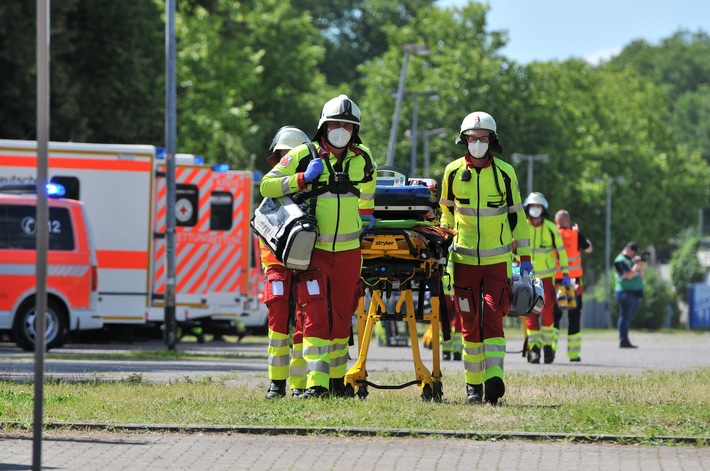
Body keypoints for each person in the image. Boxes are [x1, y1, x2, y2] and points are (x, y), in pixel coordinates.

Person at [260, 94, 377, 398]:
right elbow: (266, 185)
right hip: (315, 253)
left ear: (355, 130)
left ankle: (338, 383)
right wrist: (300, 179)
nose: (342, 129)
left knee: (341, 318)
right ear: (324, 126)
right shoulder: (302, 154)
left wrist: (366, 215)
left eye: (348, 126)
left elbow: (368, 190)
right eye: (336, 124)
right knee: (314, 317)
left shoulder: (364, 158)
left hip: (350, 254)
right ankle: (316, 384)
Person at [439, 111, 531, 405]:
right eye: (472, 138)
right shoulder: (452, 172)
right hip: (463, 262)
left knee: (493, 318)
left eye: (482, 138)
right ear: (463, 140)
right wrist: (443, 239)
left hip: (497, 262)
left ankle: (494, 380)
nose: (477, 143)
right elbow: (446, 212)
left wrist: (526, 257)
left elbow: (518, 217)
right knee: (469, 322)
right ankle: (473, 388)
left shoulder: (505, 173)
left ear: (492, 140)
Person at [260, 126, 310, 399]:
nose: (285, 159)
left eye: (291, 155)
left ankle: (300, 385)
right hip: (277, 265)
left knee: (304, 323)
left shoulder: (313, 194)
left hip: (304, 265)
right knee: (278, 321)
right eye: (282, 155)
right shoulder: (271, 192)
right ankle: (276, 384)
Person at [523, 192, 570, 365]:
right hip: (527, 278)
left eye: (538, 206)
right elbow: (513, 250)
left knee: (547, 313)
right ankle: (534, 350)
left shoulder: (551, 228)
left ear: (543, 209)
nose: (535, 210)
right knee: (530, 313)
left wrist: (565, 274)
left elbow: (562, 253)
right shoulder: (522, 227)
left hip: (547, 279)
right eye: (533, 206)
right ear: (528, 208)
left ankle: (548, 349)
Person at [552, 210, 592, 362]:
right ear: (568, 222)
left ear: (557, 222)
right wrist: (578, 233)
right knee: (574, 317)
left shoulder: (553, 234)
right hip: (574, 283)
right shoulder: (576, 235)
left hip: (557, 282)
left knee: (555, 315)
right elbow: (589, 248)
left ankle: (551, 349)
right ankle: (573, 354)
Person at [614, 241, 645, 348]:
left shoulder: (630, 260)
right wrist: (636, 264)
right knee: (625, 317)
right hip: (625, 292)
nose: (634, 256)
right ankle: (623, 340)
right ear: (629, 249)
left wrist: (640, 263)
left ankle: (625, 339)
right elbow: (629, 275)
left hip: (634, 293)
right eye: (634, 253)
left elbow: (642, 274)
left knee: (628, 317)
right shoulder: (620, 260)